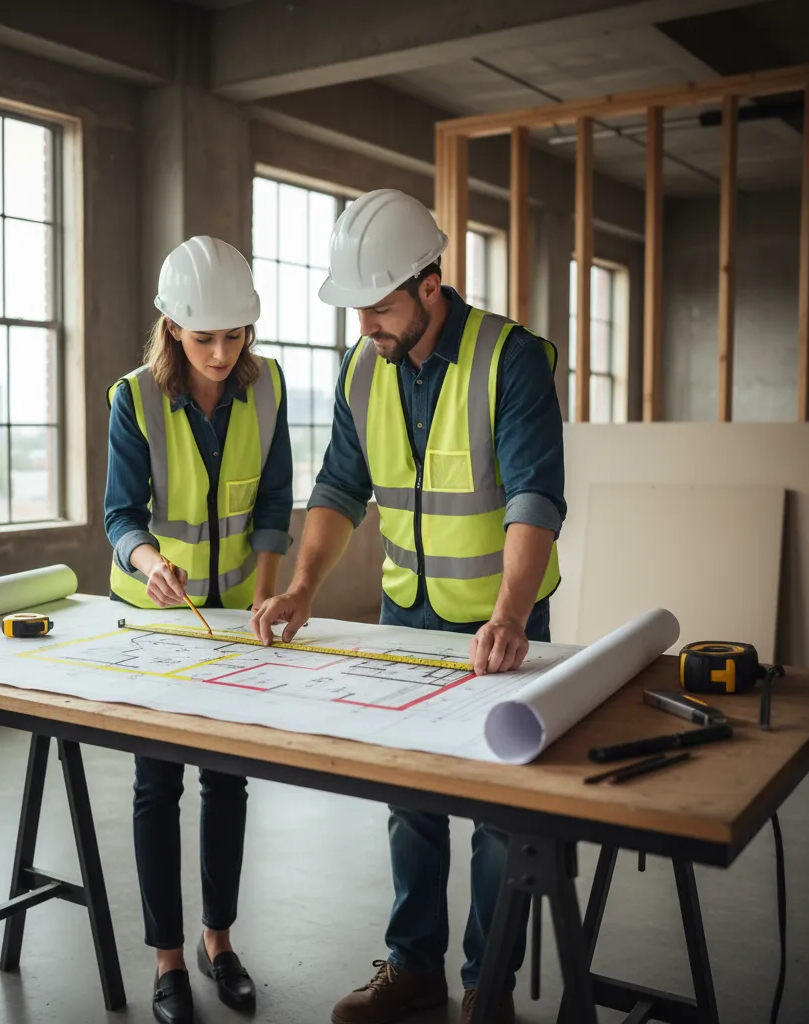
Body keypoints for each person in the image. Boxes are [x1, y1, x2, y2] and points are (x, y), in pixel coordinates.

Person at [251, 190, 565, 1024]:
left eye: (380, 307)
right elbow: (338, 489)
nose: (365, 328)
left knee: (500, 814)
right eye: (357, 309)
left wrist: (508, 612)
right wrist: (303, 588)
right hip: (408, 616)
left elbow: (536, 495)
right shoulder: (365, 368)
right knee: (411, 801)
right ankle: (413, 967)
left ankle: (486, 986)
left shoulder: (512, 358)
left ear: (432, 284)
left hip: (502, 622)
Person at [105, 235, 292, 1024]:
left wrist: (272, 599)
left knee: (227, 779)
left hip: (236, 617)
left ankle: (219, 945)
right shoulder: (136, 396)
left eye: (235, 334)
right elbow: (119, 516)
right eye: (205, 336)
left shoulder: (269, 385)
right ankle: (168, 963)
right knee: (158, 786)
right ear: (172, 326)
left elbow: (277, 504)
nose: (222, 353)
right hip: (159, 620)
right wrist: (149, 561)